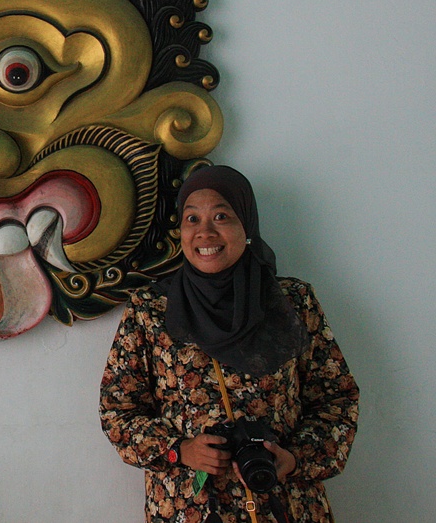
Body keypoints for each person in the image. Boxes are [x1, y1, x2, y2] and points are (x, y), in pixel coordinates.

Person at [99, 166, 358, 523]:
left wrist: (296, 457)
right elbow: (118, 409)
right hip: (191, 509)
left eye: (221, 216)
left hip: (286, 505)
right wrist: (179, 451)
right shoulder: (151, 310)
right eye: (192, 218)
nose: (205, 232)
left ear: (246, 226)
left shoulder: (292, 302)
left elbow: (337, 398)